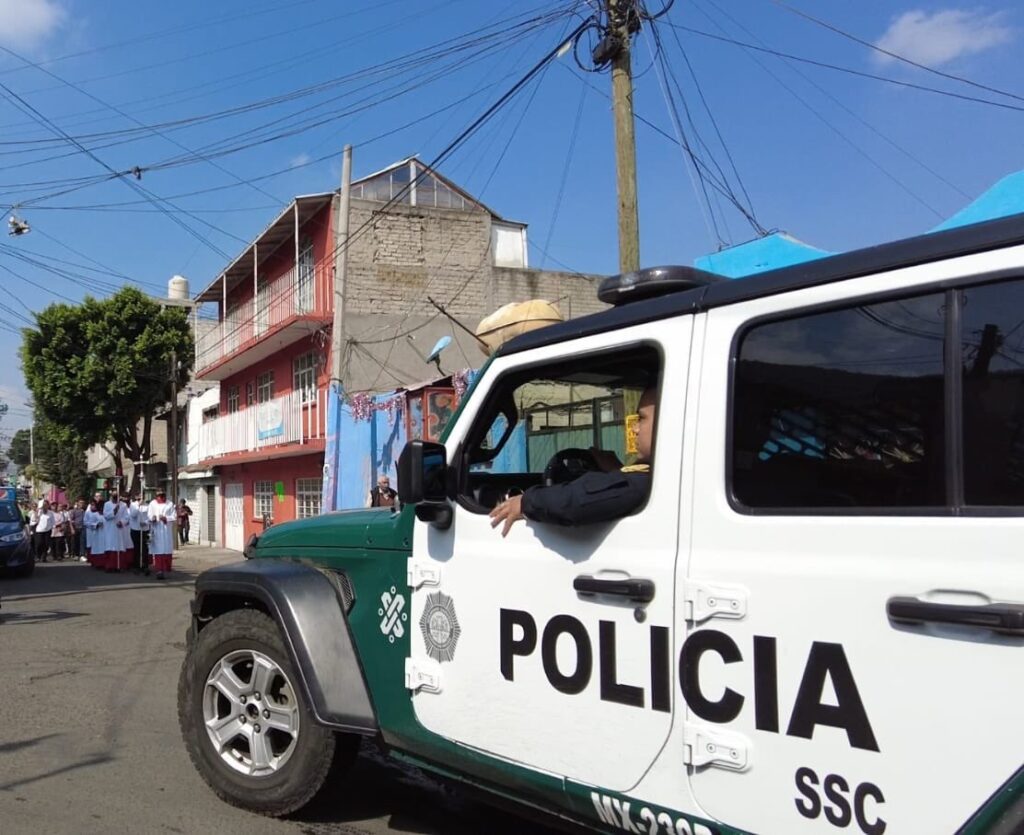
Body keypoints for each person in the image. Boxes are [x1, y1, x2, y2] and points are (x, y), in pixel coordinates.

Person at [489, 387, 657, 537]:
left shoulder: (645, 482)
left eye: (641, 419)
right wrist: (617, 471)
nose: (635, 429)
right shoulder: (656, 476)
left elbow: (575, 501)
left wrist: (525, 503)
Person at [148, 490, 176, 579]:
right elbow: (149, 515)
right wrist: (152, 518)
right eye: (158, 496)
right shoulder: (152, 504)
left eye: (161, 496)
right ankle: (159, 570)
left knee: (166, 550)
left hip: (166, 530)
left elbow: (174, 516)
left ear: (164, 496)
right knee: (158, 550)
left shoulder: (170, 504)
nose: (159, 498)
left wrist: (165, 518)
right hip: (157, 529)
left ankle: (166, 569)